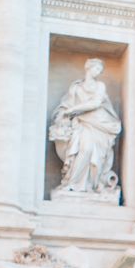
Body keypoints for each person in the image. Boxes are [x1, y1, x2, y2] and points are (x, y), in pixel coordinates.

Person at [49, 58, 122, 195]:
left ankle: (90, 185)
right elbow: (66, 105)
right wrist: (63, 114)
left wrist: (73, 110)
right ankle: (73, 184)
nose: (98, 72)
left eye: (100, 71)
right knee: (84, 149)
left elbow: (95, 103)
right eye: (96, 69)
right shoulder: (76, 87)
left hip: (99, 123)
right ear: (88, 68)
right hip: (81, 123)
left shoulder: (100, 85)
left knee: (91, 152)